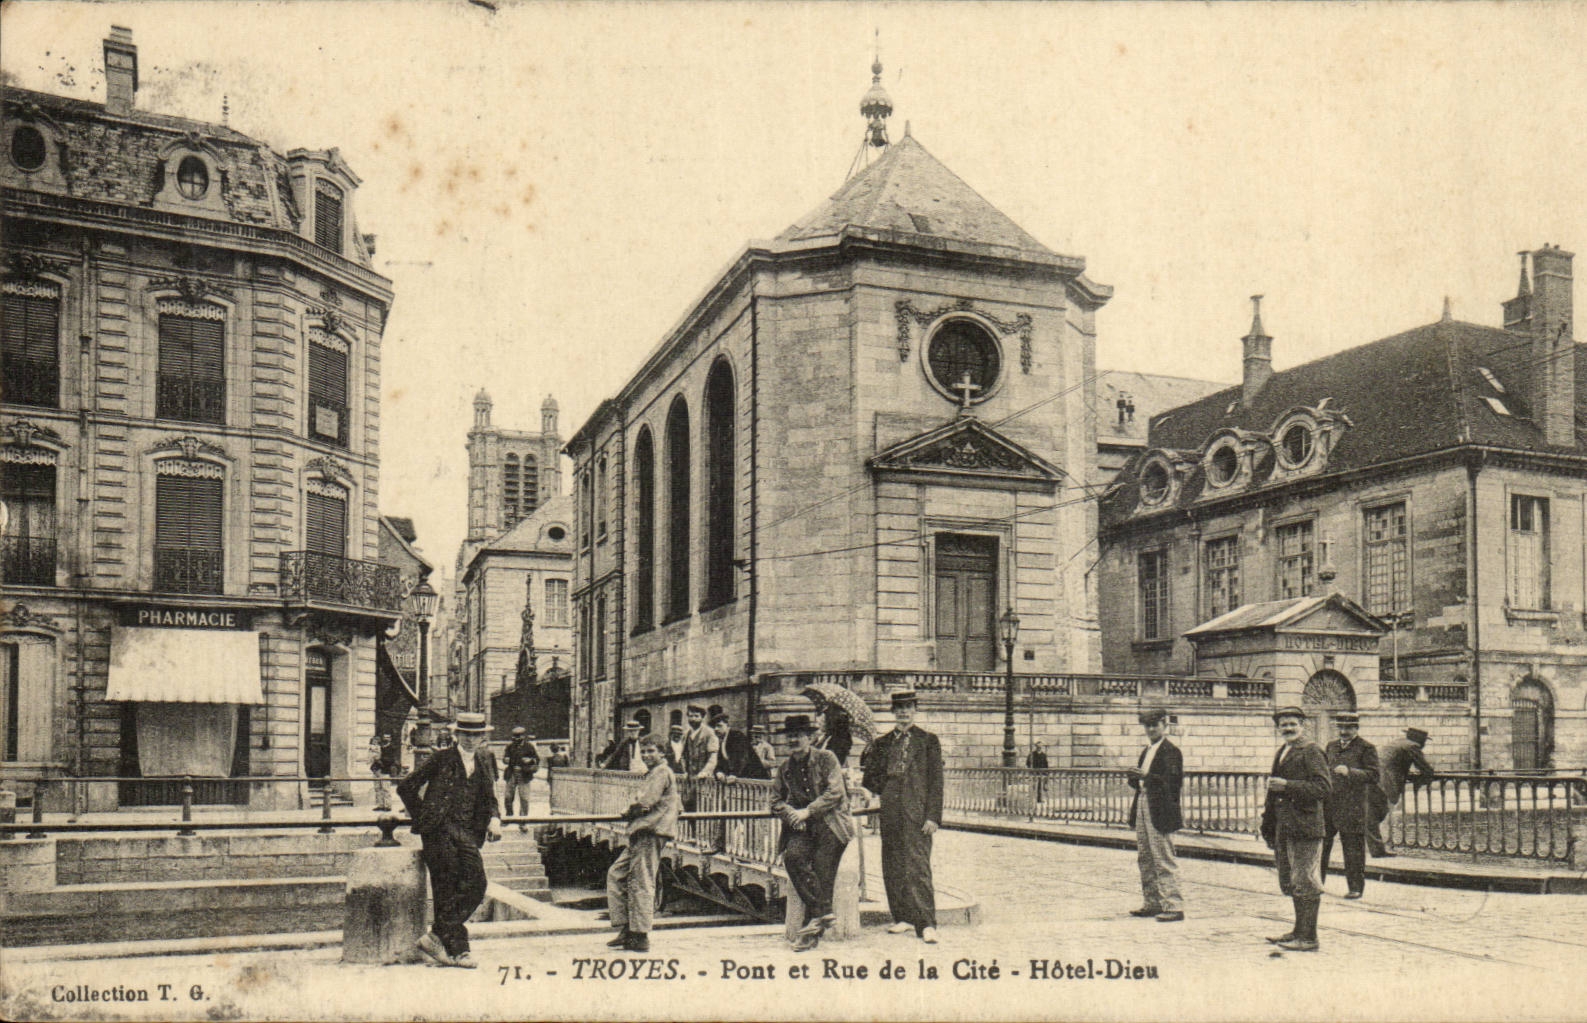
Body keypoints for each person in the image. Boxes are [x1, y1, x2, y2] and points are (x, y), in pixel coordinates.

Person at [395, 712, 502, 969]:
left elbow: (490, 796)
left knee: (477, 883)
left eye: (476, 735)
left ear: (483, 737)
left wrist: (495, 818)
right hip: (439, 831)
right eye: (466, 734)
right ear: (457, 735)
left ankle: (436, 935)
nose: (471, 739)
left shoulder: (485, 759)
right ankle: (459, 952)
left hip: (467, 831)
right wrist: (426, 817)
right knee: (446, 887)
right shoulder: (441, 758)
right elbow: (406, 787)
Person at [860, 690, 943, 944]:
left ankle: (927, 923)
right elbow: (872, 778)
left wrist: (933, 816)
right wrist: (865, 789)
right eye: (899, 709)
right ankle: (903, 917)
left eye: (908, 708)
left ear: (915, 710)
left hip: (917, 810)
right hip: (890, 808)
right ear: (893, 712)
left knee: (918, 866)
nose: (903, 713)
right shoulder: (882, 743)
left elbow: (936, 781)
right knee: (893, 863)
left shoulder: (928, 741)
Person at [772, 714, 854, 952]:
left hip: (832, 824)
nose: (793, 740)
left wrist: (808, 811)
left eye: (798, 735)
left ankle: (809, 934)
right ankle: (824, 912)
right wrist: (788, 811)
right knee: (793, 857)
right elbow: (774, 800)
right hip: (803, 827)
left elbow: (835, 793)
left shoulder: (826, 759)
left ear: (809, 738)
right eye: (790, 736)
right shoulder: (785, 769)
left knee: (821, 868)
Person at [1260, 706, 1332, 952]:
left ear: (1303, 725)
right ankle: (1298, 931)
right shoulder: (1284, 750)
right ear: (1278, 728)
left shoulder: (1311, 751)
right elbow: (1274, 791)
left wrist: (1288, 785)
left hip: (1306, 827)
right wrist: (1268, 824)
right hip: (1286, 827)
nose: (1288, 728)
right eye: (1283, 725)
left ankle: (1309, 937)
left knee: (1306, 880)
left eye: (1293, 723)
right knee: (1292, 880)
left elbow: (1323, 787)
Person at [605, 734, 680, 954]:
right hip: (643, 832)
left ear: (662, 753)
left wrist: (628, 812)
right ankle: (627, 927)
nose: (646, 755)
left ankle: (640, 935)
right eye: (644, 752)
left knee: (641, 882)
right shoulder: (657, 773)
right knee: (616, 874)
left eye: (651, 751)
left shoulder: (661, 772)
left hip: (649, 832)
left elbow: (645, 802)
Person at [1125, 708, 1183, 922]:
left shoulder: (1171, 751)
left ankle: (1174, 905)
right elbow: (1143, 780)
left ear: (1164, 726)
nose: (1151, 729)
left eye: (1155, 725)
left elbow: (1173, 781)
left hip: (1160, 808)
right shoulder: (1147, 750)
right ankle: (1152, 902)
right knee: (1145, 856)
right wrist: (1134, 778)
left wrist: (1147, 776)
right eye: (1147, 726)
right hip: (1143, 802)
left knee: (1163, 856)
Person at [1321, 712, 1379, 898]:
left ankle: (1355, 888)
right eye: (1341, 727)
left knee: (1353, 849)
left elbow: (1374, 775)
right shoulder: (1331, 746)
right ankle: (1316, 884)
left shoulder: (1366, 748)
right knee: (1321, 846)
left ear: (1356, 728)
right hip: (1329, 805)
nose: (1344, 731)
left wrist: (1350, 772)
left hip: (1352, 807)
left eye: (1348, 728)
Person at [1370, 726, 1436, 856]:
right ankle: (1385, 847)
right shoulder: (1412, 746)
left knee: (1373, 816)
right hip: (1386, 784)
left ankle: (1376, 848)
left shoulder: (1397, 743)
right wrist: (1422, 780)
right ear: (1421, 741)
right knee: (1386, 816)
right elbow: (1426, 769)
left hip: (1372, 781)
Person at [502, 727, 540, 830]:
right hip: (511, 774)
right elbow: (505, 758)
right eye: (514, 737)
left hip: (524, 775)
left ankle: (522, 822)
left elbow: (537, 759)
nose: (515, 739)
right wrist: (506, 760)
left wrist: (529, 760)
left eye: (518, 737)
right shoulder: (510, 747)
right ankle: (509, 816)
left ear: (523, 736)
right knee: (508, 797)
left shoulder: (529, 747)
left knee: (524, 799)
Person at [369, 733, 394, 811]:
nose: (385, 739)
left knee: (385, 788)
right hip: (377, 770)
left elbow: (391, 760)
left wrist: (380, 761)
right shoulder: (380, 747)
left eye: (387, 737)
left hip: (385, 770)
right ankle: (380, 805)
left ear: (390, 738)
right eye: (384, 737)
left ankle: (387, 806)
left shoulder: (392, 748)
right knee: (377, 788)